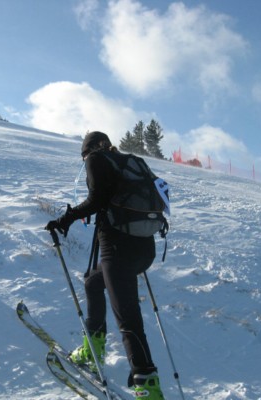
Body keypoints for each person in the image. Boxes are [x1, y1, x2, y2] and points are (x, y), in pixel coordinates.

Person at [45, 131, 165, 400]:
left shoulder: (95, 160)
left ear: (86, 151)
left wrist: (66, 218)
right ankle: (93, 350)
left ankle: (148, 389)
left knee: (128, 319)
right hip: (144, 247)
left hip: (118, 247)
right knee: (93, 282)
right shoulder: (128, 162)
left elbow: (96, 200)